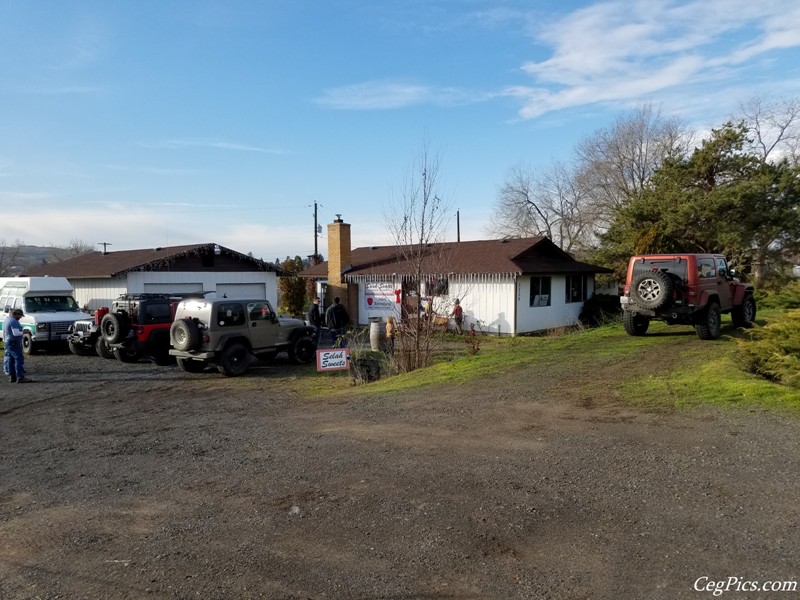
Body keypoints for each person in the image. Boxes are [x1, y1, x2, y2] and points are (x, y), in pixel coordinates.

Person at [3, 309, 32, 383]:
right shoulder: (13, 321)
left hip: (7, 342)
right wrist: (24, 332)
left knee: (10, 360)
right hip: (13, 342)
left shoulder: (6, 320)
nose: (20, 317)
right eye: (20, 316)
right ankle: (20, 377)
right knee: (19, 358)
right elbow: (15, 333)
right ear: (16, 314)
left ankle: (12, 377)